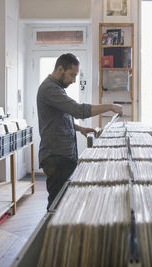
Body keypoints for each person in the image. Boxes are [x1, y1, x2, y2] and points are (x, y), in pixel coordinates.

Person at [37, 53, 123, 211]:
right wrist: (109, 106)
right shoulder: (49, 89)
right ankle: (52, 234)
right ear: (60, 69)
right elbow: (77, 110)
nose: (74, 80)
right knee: (57, 206)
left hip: (63, 155)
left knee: (64, 203)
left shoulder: (57, 88)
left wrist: (80, 128)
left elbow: (58, 119)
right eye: (72, 75)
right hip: (56, 157)